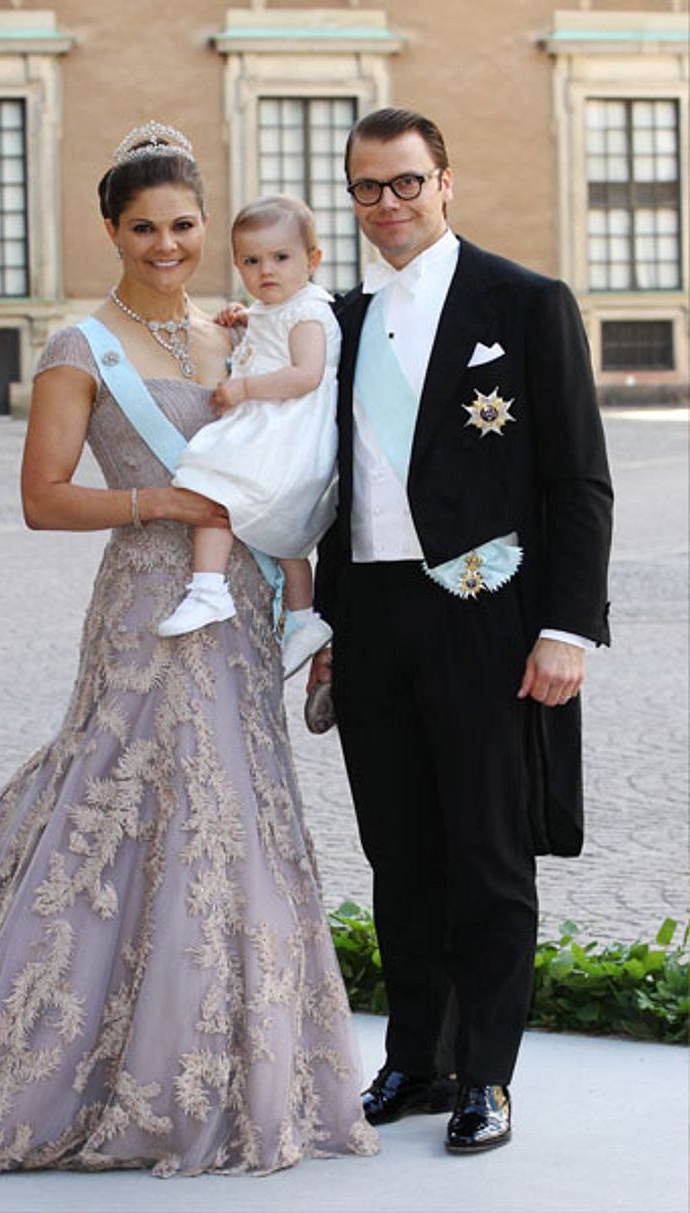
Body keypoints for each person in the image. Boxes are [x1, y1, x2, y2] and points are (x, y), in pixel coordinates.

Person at [0, 122, 379, 1176]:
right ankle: (107, 1062)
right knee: (133, 793)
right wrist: (160, 501)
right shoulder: (80, 348)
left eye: (183, 225)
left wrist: (308, 603)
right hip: (149, 603)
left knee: (234, 806)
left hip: (239, 604)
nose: (166, 245)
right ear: (111, 229)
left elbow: (291, 459)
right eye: (143, 227)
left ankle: (226, 1060)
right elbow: (43, 498)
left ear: (208, 225)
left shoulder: (238, 333)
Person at [309, 107, 613, 1153]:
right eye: (367, 187)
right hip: (371, 615)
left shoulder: (524, 303)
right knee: (398, 850)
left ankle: (486, 1073)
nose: (387, 203)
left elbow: (577, 480)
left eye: (406, 181)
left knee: (487, 851)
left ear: (444, 182)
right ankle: (416, 1060)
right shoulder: (339, 321)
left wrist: (567, 625)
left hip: (488, 611)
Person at [157, 195, 338, 680]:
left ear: (312, 260)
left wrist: (244, 388)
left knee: (213, 485)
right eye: (252, 261)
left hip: (287, 432)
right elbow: (265, 334)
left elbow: (306, 375)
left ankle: (208, 589)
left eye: (280, 257)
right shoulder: (274, 309)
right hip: (277, 430)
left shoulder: (308, 314)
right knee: (285, 536)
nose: (266, 270)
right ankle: (304, 619)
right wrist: (246, 317)